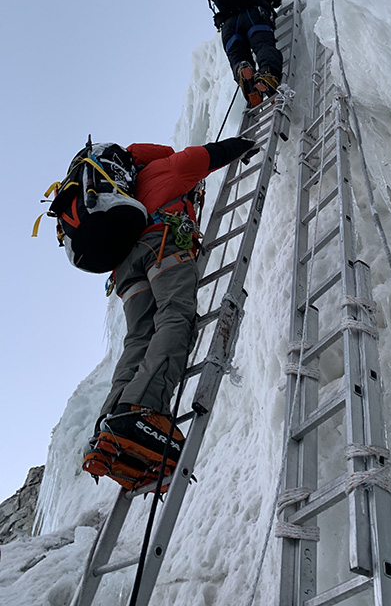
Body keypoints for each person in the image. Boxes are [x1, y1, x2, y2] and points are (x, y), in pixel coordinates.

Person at [83, 135, 259, 480]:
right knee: (175, 316)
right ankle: (143, 410)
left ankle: (110, 425)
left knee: (138, 340)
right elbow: (212, 154)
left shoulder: (126, 191)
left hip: (126, 272)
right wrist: (247, 143)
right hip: (162, 245)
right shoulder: (166, 167)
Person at [205, 0, 283, 107]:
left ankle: (243, 72)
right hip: (253, 16)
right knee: (263, 46)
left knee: (237, 57)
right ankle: (267, 73)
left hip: (229, 26)